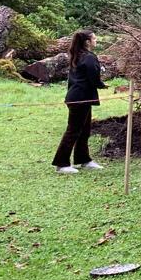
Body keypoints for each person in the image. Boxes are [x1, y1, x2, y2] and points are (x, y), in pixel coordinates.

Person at [51, 30, 107, 173]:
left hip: (79, 97)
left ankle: (84, 159)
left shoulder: (79, 55)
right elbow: (93, 77)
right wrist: (101, 85)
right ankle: (62, 164)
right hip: (80, 98)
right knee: (73, 130)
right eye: (94, 39)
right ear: (87, 42)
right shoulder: (88, 57)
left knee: (84, 130)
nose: (96, 41)